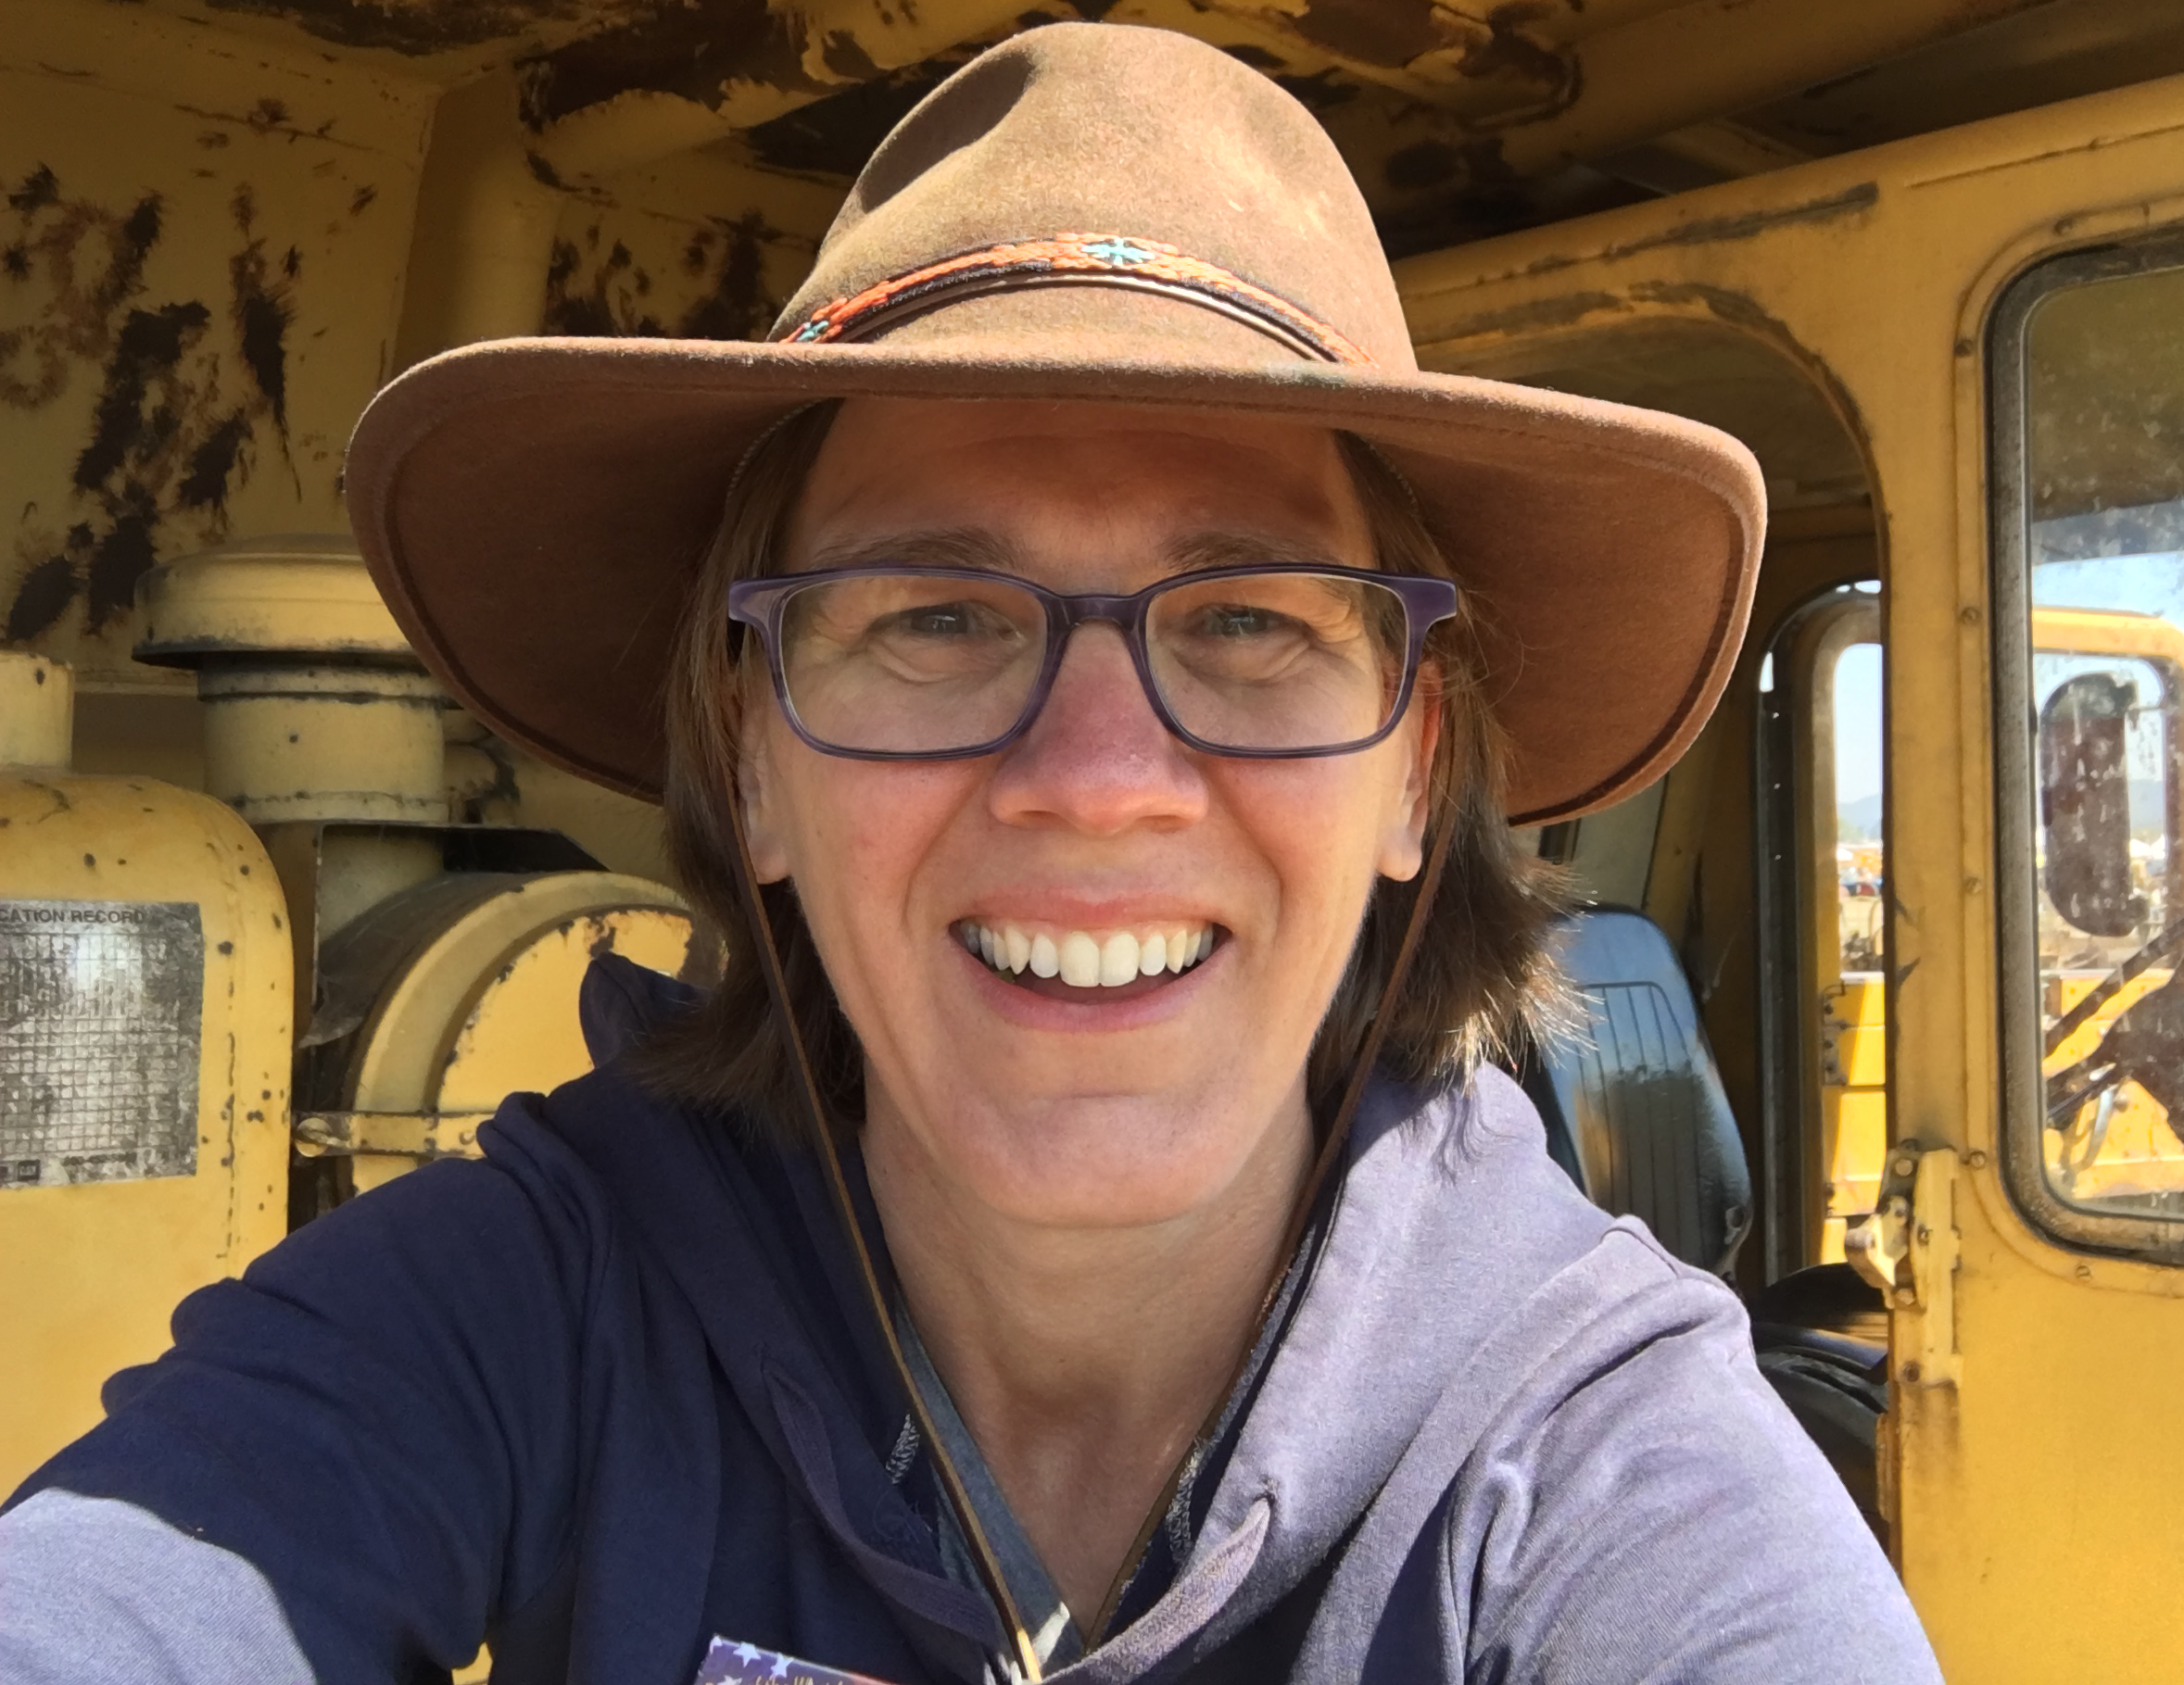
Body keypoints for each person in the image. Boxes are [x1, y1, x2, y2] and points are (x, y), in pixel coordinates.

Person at [0, 23, 1941, 1685]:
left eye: (1252, 618)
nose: (1096, 779)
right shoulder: (547, 1290)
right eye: (931, 616)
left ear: (1416, 772)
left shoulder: (1594, 1463)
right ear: (749, 759)